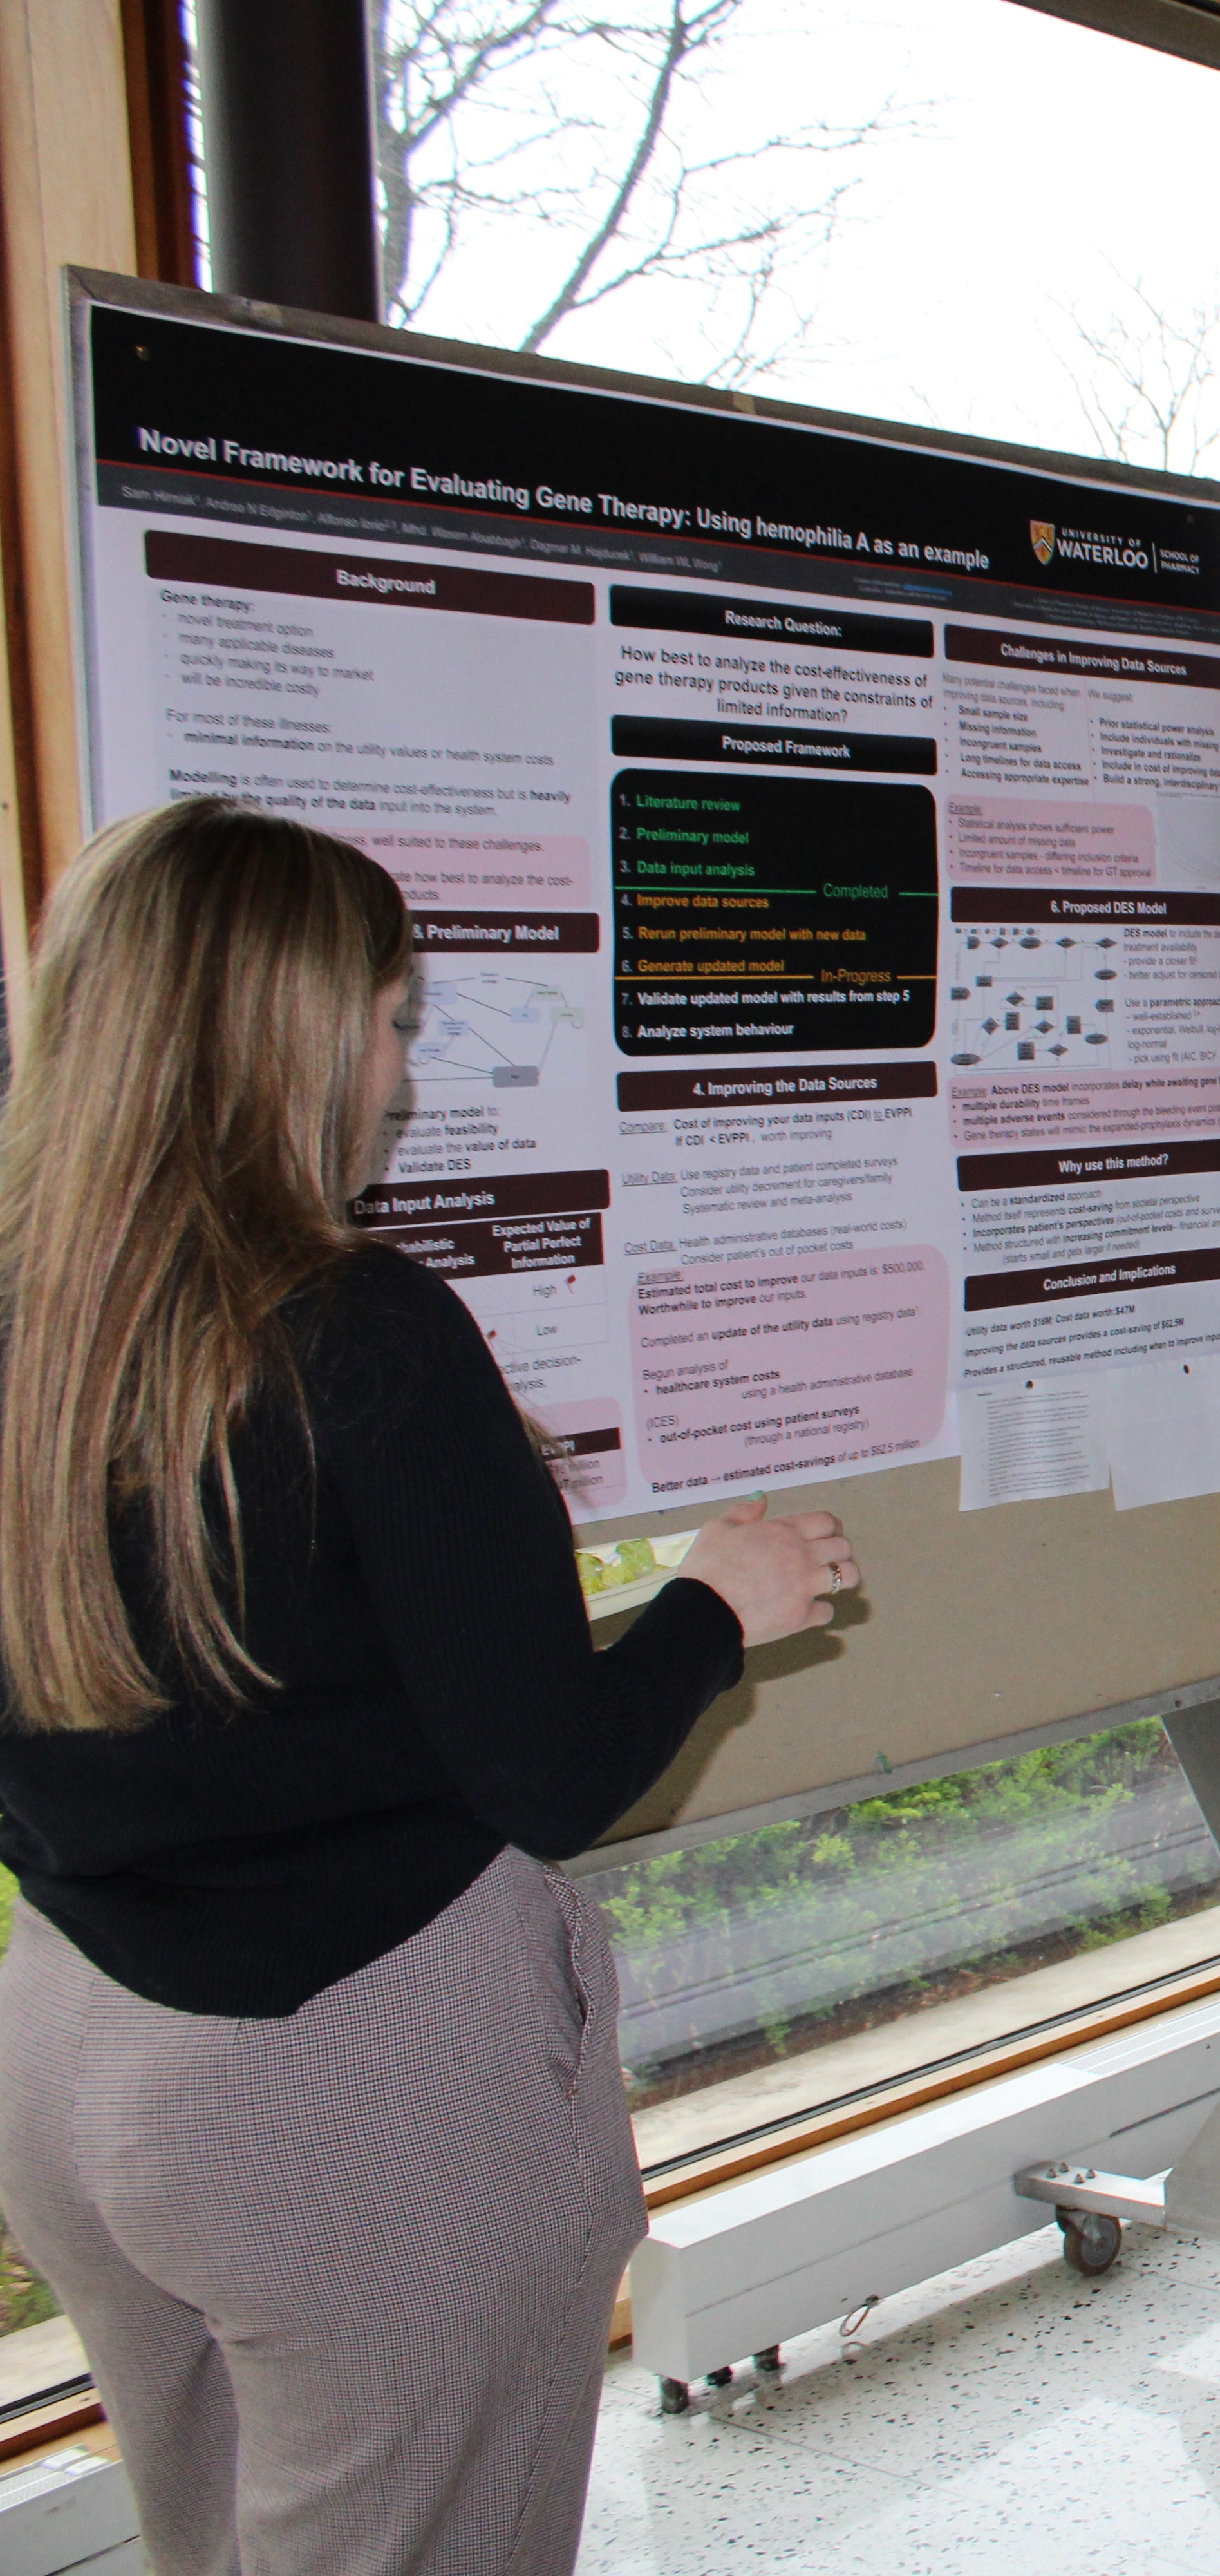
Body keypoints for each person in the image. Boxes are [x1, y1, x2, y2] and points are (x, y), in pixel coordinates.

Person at [0, 800, 859, 2576]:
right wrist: (718, 1603)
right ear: (292, 1035)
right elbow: (550, 1774)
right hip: (343, 2090)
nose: (406, 1067)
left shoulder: (44, 1312)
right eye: (395, 1019)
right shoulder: (356, 1330)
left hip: (73, 2048)